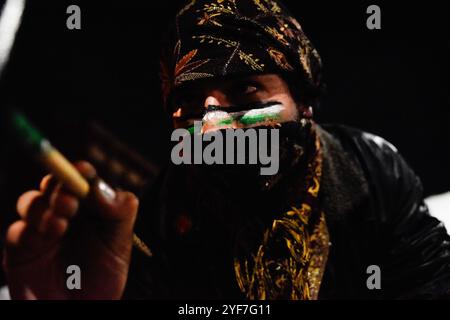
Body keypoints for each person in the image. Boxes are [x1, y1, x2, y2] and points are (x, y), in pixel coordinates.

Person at [3, 0, 450, 299]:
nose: (213, 127)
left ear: (306, 102)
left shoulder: (370, 173)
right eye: (191, 103)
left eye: (246, 92)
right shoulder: (159, 218)